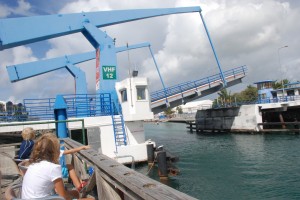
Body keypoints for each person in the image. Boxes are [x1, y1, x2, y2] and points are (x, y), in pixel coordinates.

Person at [21, 132, 94, 200]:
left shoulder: (33, 165)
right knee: (92, 199)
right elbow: (63, 196)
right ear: (55, 151)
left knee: (75, 193)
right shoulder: (53, 168)